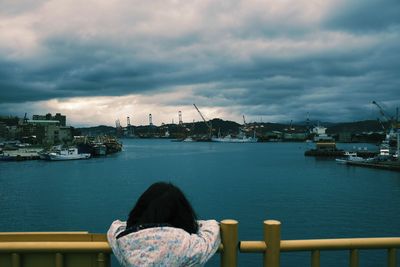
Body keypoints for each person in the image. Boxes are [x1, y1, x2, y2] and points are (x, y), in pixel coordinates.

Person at [107, 182, 221, 267]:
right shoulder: (188, 246)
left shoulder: (123, 242)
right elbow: (211, 229)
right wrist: (193, 223)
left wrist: (140, 224)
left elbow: (116, 226)